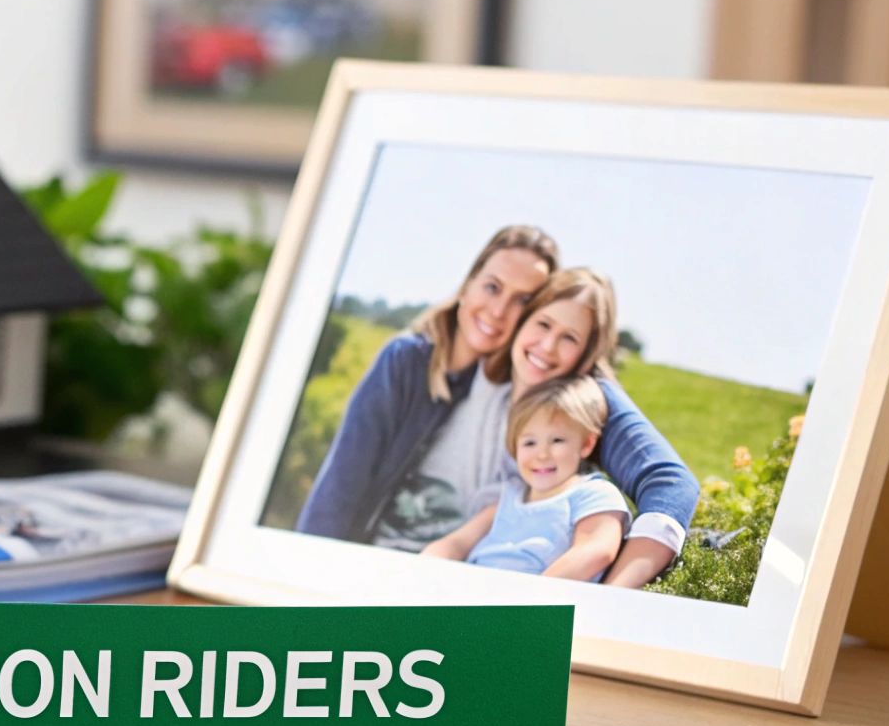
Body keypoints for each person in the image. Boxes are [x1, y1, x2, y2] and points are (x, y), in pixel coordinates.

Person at [298, 265, 697, 586]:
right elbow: (346, 478)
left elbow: (671, 485)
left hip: (512, 590)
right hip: (421, 567)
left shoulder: (582, 404)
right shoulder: (474, 376)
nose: (547, 347)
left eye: (569, 338)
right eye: (542, 325)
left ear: (586, 353)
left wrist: (611, 596)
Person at [295, 226, 559, 549]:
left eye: (522, 301)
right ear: (467, 285)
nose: (499, 311)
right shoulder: (405, 362)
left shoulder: (518, 397)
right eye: (492, 287)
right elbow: (340, 486)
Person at [420, 376, 630, 580]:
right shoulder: (508, 497)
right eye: (530, 443)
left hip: (532, 605)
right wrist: (424, 565)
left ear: (586, 445)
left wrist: (530, 599)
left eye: (557, 440)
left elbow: (596, 550)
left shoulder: (592, 494)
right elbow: (456, 543)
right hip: (475, 594)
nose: (542, 455)